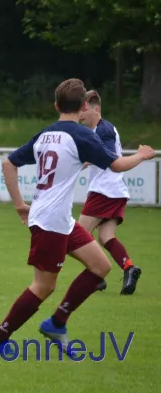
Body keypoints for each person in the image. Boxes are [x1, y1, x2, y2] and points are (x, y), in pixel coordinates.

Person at [0, 79, 155, 358]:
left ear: (56, 105)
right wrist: (143, 155)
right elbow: (117, 164)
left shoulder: (45, 134)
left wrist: (19, 205)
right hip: (50, 221)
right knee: (44, 286)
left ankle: (56, 323)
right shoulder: (82, 135)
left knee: (100, 265)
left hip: (58, 218)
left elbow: (8, 163)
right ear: (84, 105)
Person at [78, 90, 141, 295]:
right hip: (115, 190)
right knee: (105, 237)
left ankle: (96, 276)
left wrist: (81, 162)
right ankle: (129, 268)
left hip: (104, 190)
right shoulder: (102, 130)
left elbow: (106, 157)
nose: (81, 115)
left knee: (78, 235)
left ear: (96, 110)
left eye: (84, 110)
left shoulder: (103, 130)